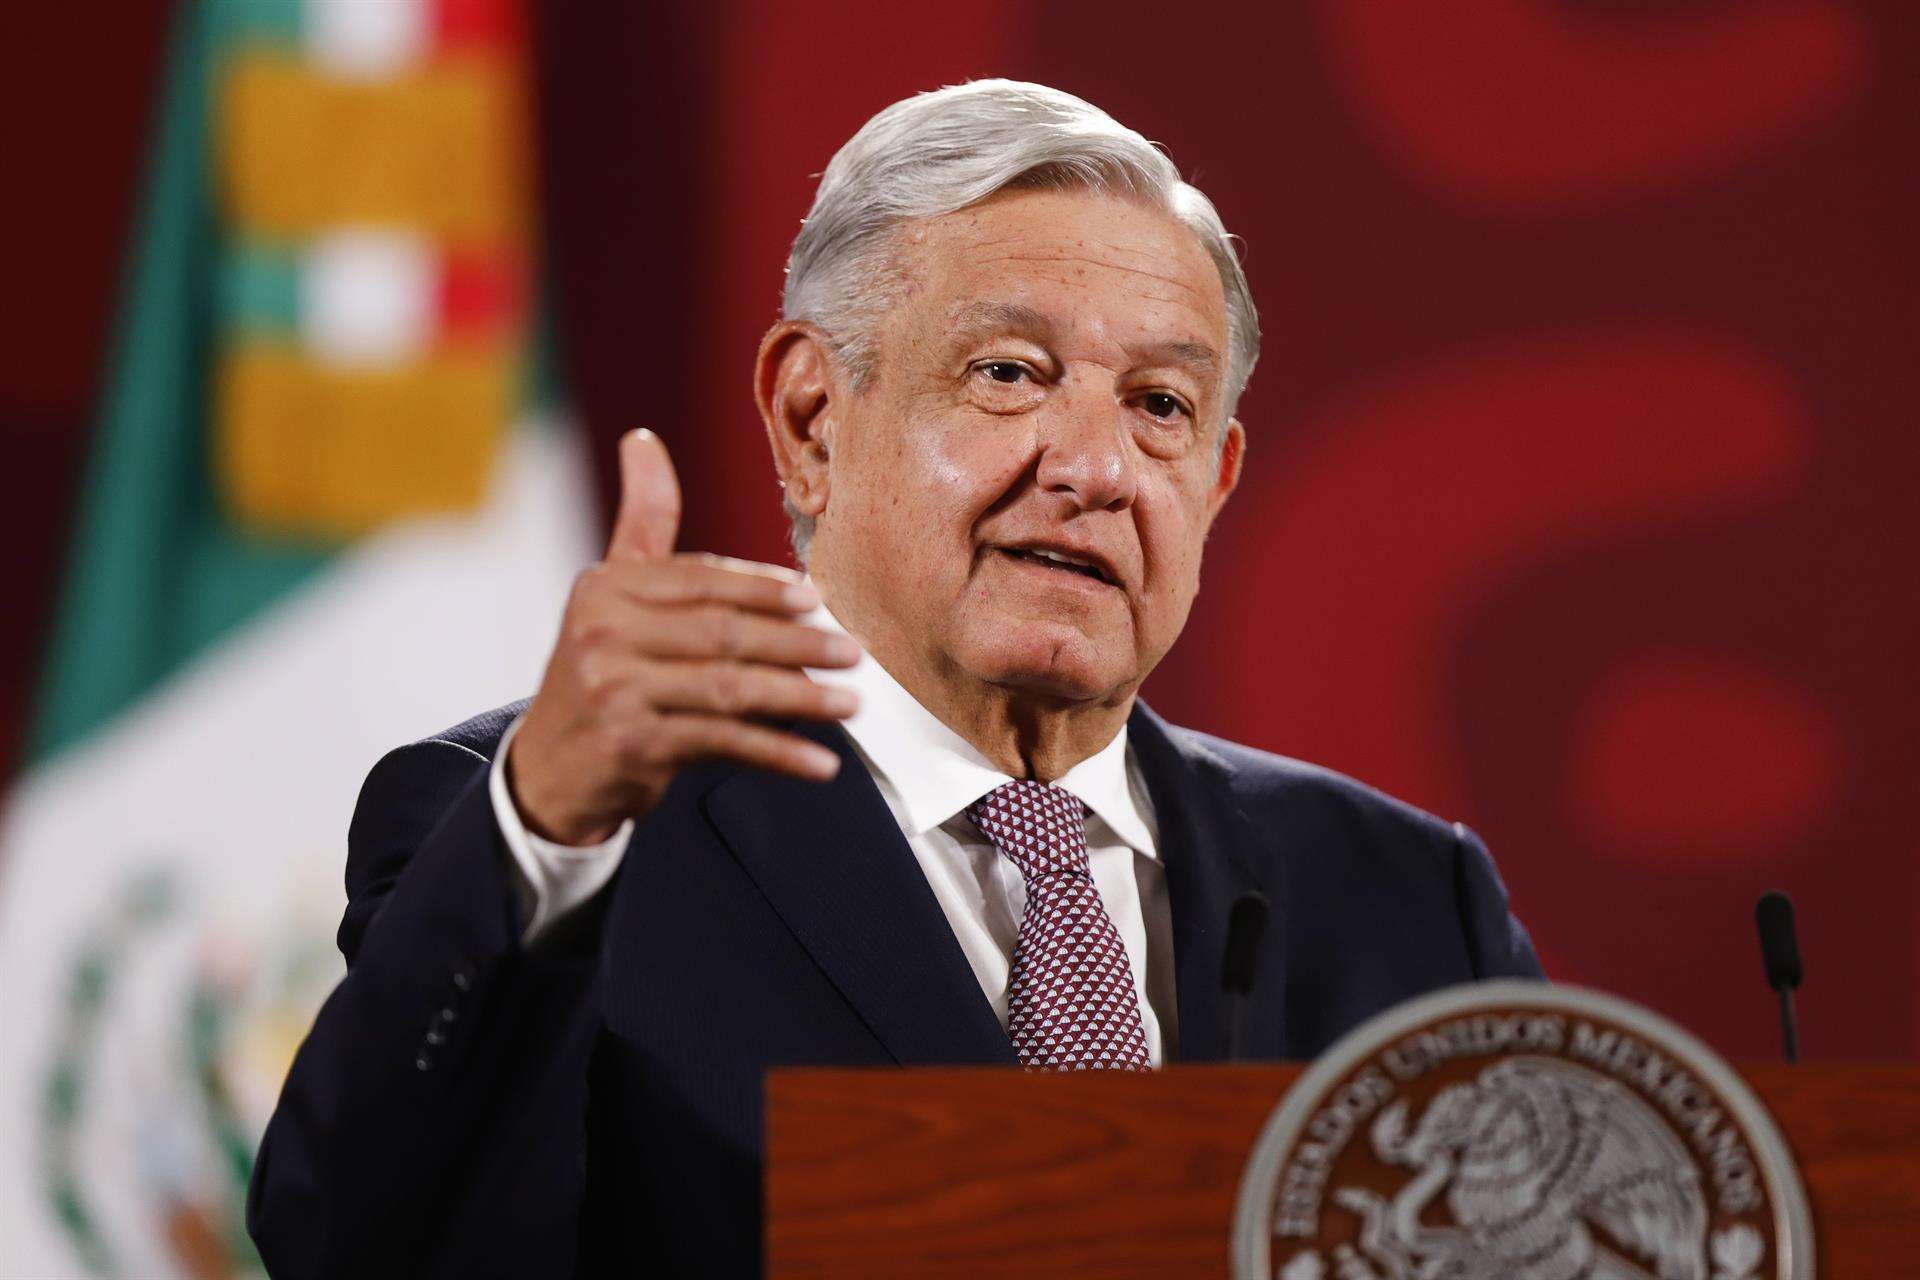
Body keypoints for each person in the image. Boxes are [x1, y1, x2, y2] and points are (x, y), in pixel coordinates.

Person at [248, 80, 1539, 1277]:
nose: (1097, 469)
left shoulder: (1407, 900)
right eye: (1010, 374)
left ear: (1217, 481)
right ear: (812, 418)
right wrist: (544, 835)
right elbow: (368, 1249)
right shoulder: (560, 833)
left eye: (1160, 405)